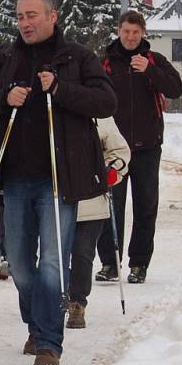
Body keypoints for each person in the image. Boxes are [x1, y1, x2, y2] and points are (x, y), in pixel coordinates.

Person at [0, 0, 116, 365]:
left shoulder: (77, 56)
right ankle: (37, 321)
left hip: (57, 180)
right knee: (17, 260)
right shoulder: (5, 57)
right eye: (19, 16)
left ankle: (49, 341)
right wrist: (5, 96)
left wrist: (61, 90)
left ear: (53, 16)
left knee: (52, 261)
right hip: (15, 178)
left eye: (32, 15)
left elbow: (105, 102)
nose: (25, 23)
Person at [95, 11, 182, 284]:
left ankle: (139, 264)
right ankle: (110, 263)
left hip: (147, 147)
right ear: (118, 31)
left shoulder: (155, 61)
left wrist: (150, 70)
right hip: (114, 148)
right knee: (110, 206)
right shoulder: (105, 63)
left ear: (143, 32)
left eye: (135, 32)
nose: (130, 37)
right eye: (126, 31)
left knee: (146, 206)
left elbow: (176, 89)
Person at [66, 117, 130, 329]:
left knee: (83, 252)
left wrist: (111, 171)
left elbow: (119, 151)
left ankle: (77, 303)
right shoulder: (48, 106)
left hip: (91, 198)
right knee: (55, 255)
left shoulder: (99, 112)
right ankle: (55, 299)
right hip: (55, 197)